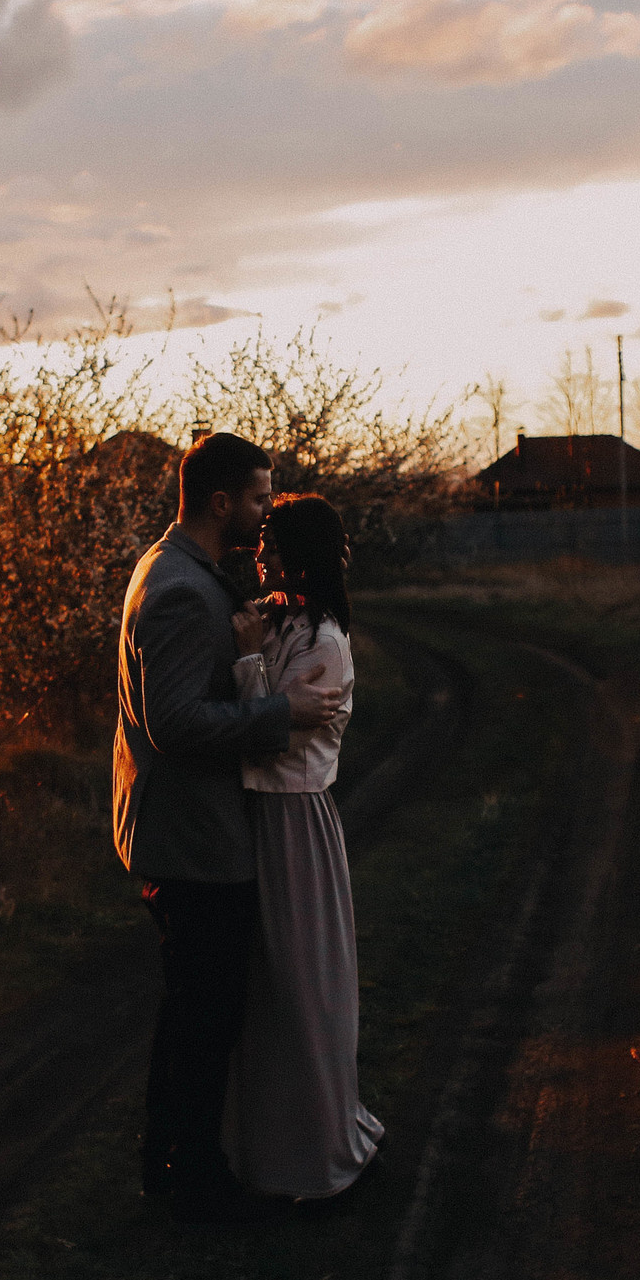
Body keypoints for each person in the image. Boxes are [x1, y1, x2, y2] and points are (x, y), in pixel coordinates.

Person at [113, 433, 342, 1223]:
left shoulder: (176, 567)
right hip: (193, 840)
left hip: (183, 831)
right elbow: (175, 724)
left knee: (198, 1010)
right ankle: (187, 1178)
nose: (264, 511)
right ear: (220, 502)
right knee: (201, 1019)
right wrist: (281, 712)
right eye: (256, 498)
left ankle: (178, 1165)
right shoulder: (181, 589)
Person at [223, 494, 384, 1201]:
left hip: (293, 821)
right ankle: (264, 1147)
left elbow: (267, 731)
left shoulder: (322, 642)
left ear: (304, 553)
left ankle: (314, 1150)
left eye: (274, 544)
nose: (262, 555)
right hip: (259, 817)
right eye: (261, 541)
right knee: (263, 984)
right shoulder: (286, 618)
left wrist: (248, 658)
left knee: (301, 987)